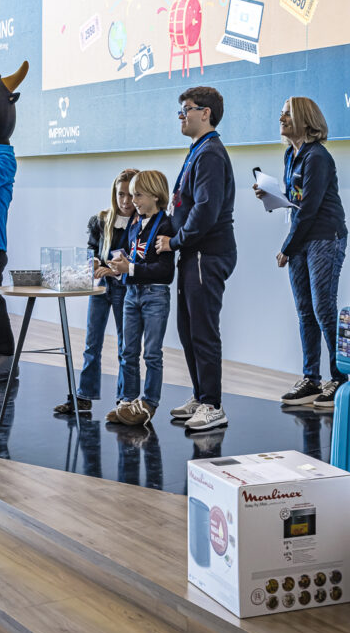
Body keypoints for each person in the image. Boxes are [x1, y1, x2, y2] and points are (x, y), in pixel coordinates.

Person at [255, 97, 347, 410]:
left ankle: (340, 378)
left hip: (324, 237)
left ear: (306, 120)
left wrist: (287, 248)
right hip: (303, 236)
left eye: (288, 114)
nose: (281, 118)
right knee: (305, 311)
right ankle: (311, 379)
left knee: (324, 309)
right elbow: (296, 200)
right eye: (281, 113)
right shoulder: (290, 154)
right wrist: (271, 196)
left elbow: (309, 208)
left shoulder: (318, 156)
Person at [156, 87, 236, 432]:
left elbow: (206, 210)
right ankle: (201, 395)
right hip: (193, 253)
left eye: (186, 109)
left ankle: (213, 405)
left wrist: (175, 241)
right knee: (187, 330)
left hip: (206, 253)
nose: (181, 115)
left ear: (206, 113)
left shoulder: (211, 154)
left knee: (203, 331)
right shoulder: (198, 150)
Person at [53, 167, 139, 415]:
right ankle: (84, 396)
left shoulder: (142, 223)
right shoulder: (101, 220)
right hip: (100, 288)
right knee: (92, 344)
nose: (125, 201)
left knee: (126, 347)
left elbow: (139, 262)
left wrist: (113, 270)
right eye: (120, 194)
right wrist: (91, 262)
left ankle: (126, 400)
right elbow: (91, 250)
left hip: (127, 289)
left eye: (130, 195)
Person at [106, 170, 174, 427]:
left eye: (138, 195)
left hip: (155, 295)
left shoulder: (166, 225)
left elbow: (165, 271)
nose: (132, 200)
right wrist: (117, 265)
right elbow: (130, 255)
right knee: (128, 351)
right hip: (131, 293)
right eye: (131, 195)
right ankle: (127, 401)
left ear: (156, 195)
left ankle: (149, 403)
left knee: (152, 353)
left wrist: (130, 268)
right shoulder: (135, 223)